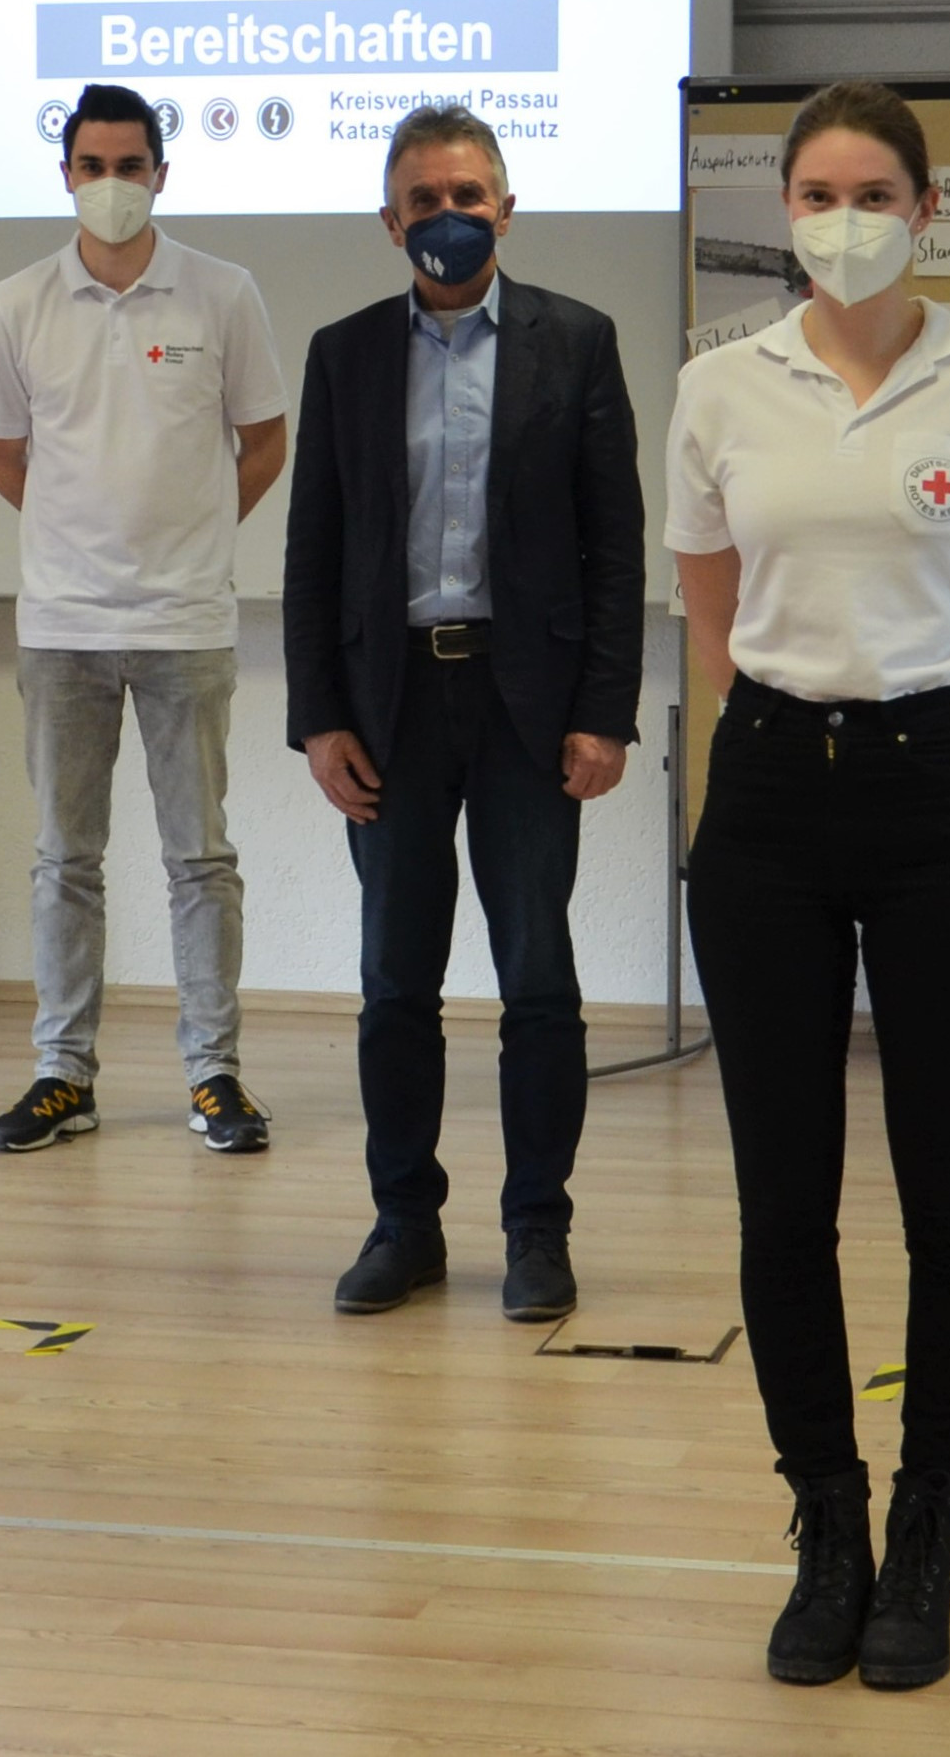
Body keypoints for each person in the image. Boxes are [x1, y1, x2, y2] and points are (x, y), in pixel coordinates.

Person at [667, 81, 950, 1692]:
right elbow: (713, 613)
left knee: (946, 1197)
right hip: (769, 801)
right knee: (785, 1195)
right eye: (818, 195)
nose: (845, 221)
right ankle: (825, 1523)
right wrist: (798, 731)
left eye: (874, 194)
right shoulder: (719, 384)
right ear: (786, 212)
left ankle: (927, 1531)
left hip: (944, 794)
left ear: (925, 208)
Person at [283, 104, 644, 1324]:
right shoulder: (343, 353)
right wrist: (318, 719)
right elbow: (314, 549)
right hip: (389, 705)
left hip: (528, 705)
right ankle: (406, 1224)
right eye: (425, 201)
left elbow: (615, 545)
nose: (449, 217)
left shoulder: (576, 341)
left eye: (468, 197)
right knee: (396, 981)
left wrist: (606, 712)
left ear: (507, 208)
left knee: (538, 975)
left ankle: (537, 1229)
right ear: (391, 223)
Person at [0, 83, 292, 1156]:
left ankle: (214, 1074)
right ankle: (63, 1075)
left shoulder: (222, 292)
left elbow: (263, 441)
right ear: (65, 175)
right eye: (92, 166)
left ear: (162, 174)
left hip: (186, 622)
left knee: (200, 858)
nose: (111, 184)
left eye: (130, 166)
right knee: (65, 858)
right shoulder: (17, 301)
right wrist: (76, 536)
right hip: (62, 624)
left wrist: (191, 534)